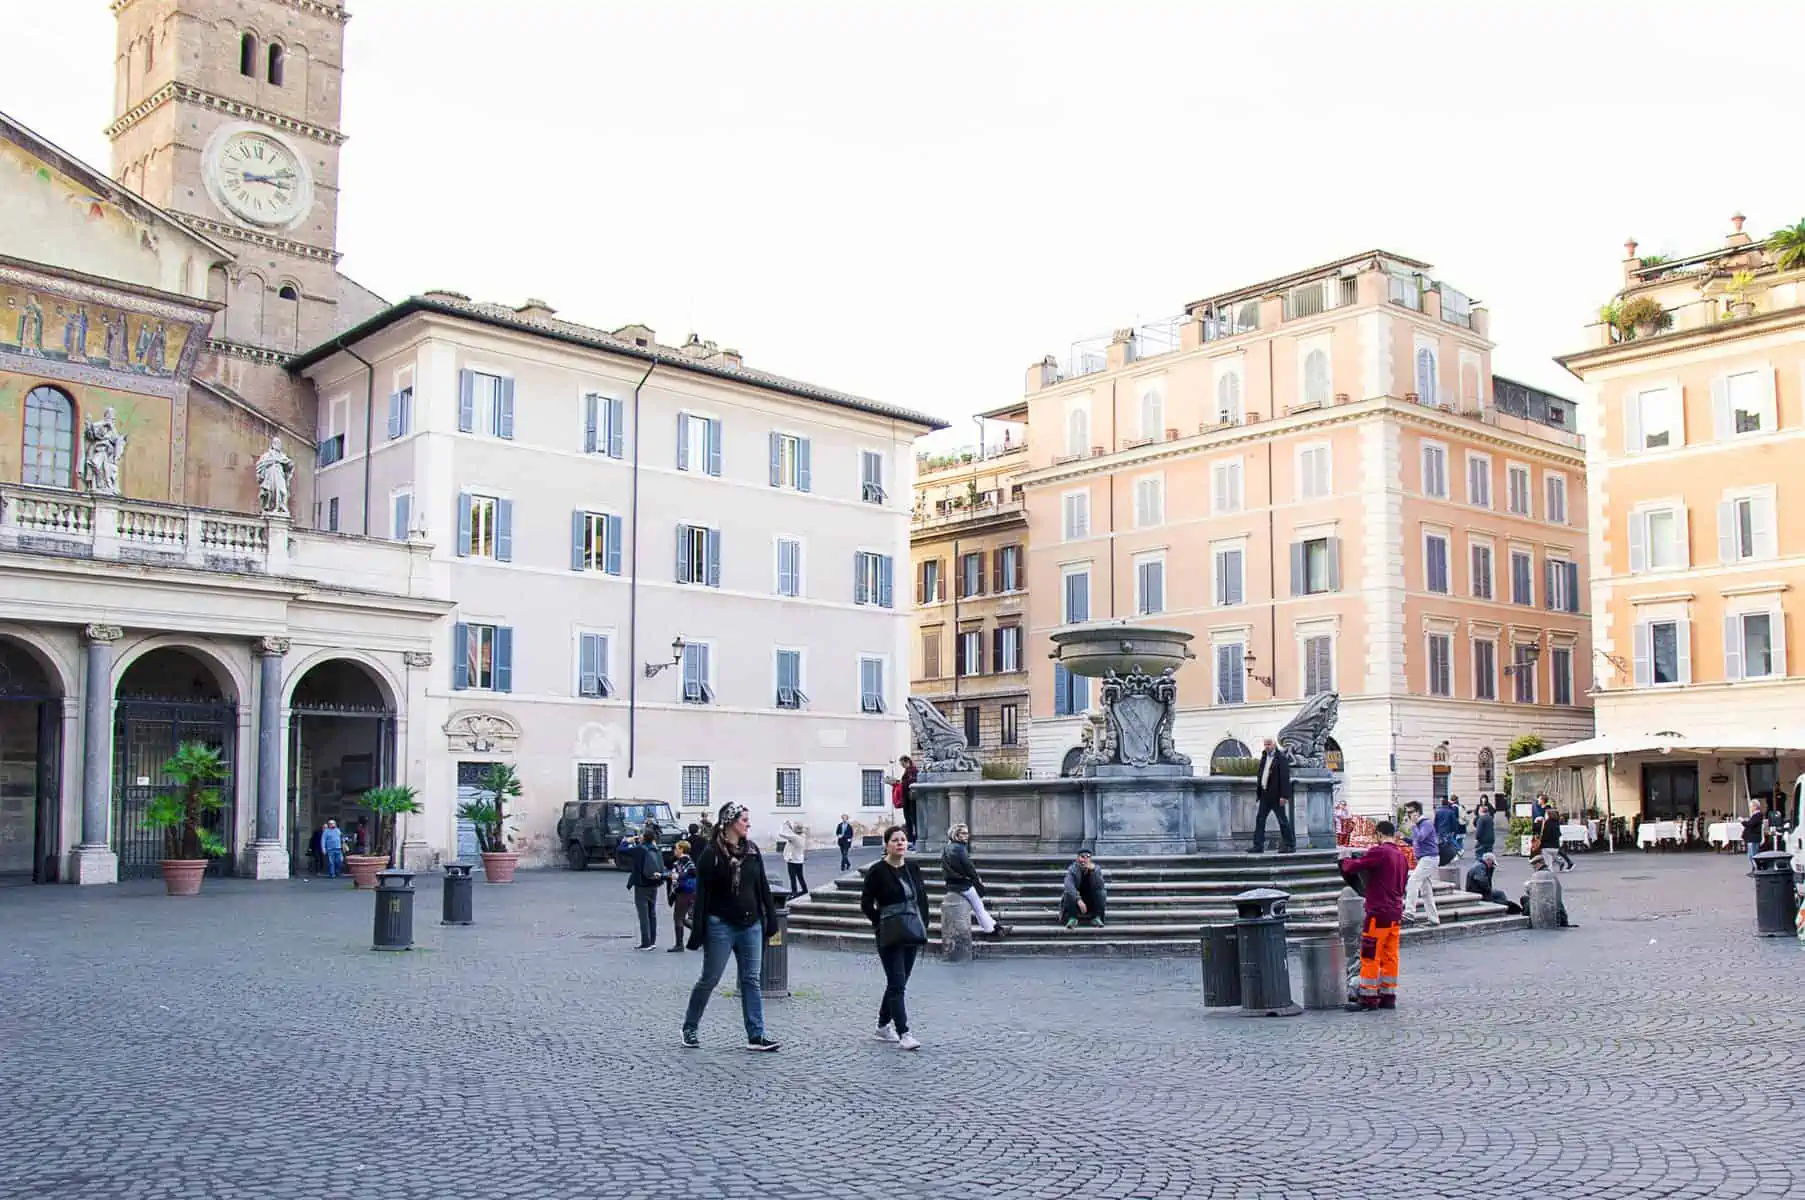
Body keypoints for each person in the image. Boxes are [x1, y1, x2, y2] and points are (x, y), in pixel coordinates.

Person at [682, 802, 781, 1051]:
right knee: (710, 978)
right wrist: (699, 931)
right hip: (721, 925)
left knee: (751, 979)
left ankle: (756, 1035)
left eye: (748, 819)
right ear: (729, 823)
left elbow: (762, 887)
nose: (748, 824)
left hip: (751, 924)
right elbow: (702, 894)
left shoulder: (752, 851)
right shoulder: (711, 855)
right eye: (744, 820)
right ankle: (690, 1027)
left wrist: (771, 918)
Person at [860, 825, 931, 1051]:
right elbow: (865, 903)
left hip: (910, 930)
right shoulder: (877, 871)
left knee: (897, 983)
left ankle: (882, 1026)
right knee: (897, 983)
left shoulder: (912, 868)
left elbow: (922, 899)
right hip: (889, 933)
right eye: (895, 840)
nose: (900, 843)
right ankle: (904, 1032)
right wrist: (879, 923)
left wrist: (924, 926)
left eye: (903, 839)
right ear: (886, 844)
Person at [1338, 819, 1410, 1010]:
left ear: (1378, 835)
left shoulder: (1379, 852)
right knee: (1390, 955)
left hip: (1378, 913)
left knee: (1370, 955)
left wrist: (1344, 859)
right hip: (1395, 913)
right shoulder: (1401, 856)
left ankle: (1368, 998)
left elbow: (1354, 867)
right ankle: (1388, 996)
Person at [940, 823, 1007, 938]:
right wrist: (977, 880)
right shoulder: (960, 848)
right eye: (963, 833)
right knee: (979, 907)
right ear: (957, 834)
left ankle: (996, 927)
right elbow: (968, 867)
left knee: (979, 907)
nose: (967, 836)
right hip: (963, 884)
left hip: (953, 883)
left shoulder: (948, 847)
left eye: (967, 833)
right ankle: (991, 931)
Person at [1251, 737, 1295, 854]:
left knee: (1282, 821)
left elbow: (1285, 779)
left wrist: (1284, 796)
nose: (1267, 746)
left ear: (1274, 745)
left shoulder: (1281, 758)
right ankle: (1258, 846)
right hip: (1265, 794)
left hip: (1277, 795)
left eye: (1269, 744)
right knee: (1260, 820)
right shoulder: (1264, 756)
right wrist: (1259, 792)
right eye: (1265, 744)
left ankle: (1290, 845)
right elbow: (1262, 774)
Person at [628, 827, 667, 950]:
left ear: (644, 838)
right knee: (652, 913)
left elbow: (621, 850)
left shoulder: (640, 849)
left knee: (643, 914)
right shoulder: (656, 849)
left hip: (641, 884)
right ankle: (653, 941)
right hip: (653, 883)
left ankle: (646, 942)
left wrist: (627, 841)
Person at [1403, 802, 1441, 926]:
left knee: (1413, 881)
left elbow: (1420, 837)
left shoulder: (1426, 823)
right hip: (1425, 859)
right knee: (1426, 890)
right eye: (1407, 812)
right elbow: (1416, 841)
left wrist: (1413, 825)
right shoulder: (1421, 825)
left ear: (1417, 812)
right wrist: (1404, 838)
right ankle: (1433, 918)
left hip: (1429, 858)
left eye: (1410, 812)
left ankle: (1409, 912)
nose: (1408, 815)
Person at [1060, 849, 1108, 928]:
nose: (1085, 859)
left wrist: (1093, 872)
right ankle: (1072, 918)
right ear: (1077, 858)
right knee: (1068, 893)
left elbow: (1100, 886)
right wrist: (1078, 899)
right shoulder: (1072, 869)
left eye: (1088, 857)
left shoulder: (1096, 869)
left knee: (1102, 893)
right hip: (1076, 902)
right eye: (1082, 857)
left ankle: (1096, 917)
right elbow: (1069, 886)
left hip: (1091, 900)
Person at [666, 840, 698, 952]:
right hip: (686, 892)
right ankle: (700, 933)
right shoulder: (681, 861)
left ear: (681, 849)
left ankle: (680, 944)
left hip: (684, 892)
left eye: (676, 848)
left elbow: (691, 873)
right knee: (681, 917)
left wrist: (678, 876)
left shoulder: (685, 861)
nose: (674, 850)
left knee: (678, 917)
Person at [890, 755, 919, 849]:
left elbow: (912, 783)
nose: (901, 765)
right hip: (906, 800)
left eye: (902, 763)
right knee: (909, 821)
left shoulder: (913, 771)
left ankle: (914, 841)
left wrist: (901, 783)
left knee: (913, 821)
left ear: (906, 762)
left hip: (911, 800)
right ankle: (911, 840)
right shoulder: (907, 771)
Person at [778, 819, 809, 898]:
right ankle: (805, 889)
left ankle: (794, 892)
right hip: (799, 860)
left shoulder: (794, 838)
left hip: (792, 860)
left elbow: (782, 834)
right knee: (800, 876)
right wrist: (790, 826)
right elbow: (794, 832)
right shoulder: (803, 835)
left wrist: (784, 825)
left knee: (792, 877)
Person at [1537, 806, 1572, 873]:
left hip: (1546, 846)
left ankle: (1550, 871)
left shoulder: (1547, 823)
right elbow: (1558, 834)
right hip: (1556, 847)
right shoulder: (1556, 823)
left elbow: (1544, 834)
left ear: (1549, 815)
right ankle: (1560, 862)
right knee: (1553, 855)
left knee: (1548, 861)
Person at [1434, 797, 1463, 865]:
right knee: (1450, 841)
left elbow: (1436, 821)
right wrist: (1454, 830)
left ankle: (1446, 855)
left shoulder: (1438, 811)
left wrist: (1435, 830)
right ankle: (1458, 850)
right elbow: (1454, 822)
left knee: (1442, 843)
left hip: (1440, 830)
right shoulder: (1450, 812)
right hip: (1448, 830)